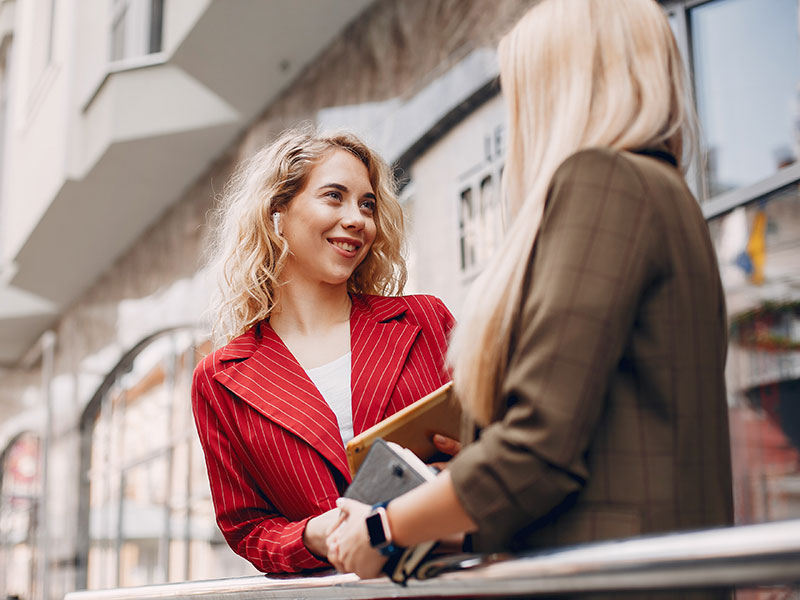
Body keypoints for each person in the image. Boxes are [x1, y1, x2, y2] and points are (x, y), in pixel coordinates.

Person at [327, 0, 734, 591]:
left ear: (558, 86)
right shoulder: (668, 197)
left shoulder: (603, 180)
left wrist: (385, 528)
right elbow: (598, 455)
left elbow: (539, 448)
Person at [191, 128, 455, 573]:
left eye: (367, 204)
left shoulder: (425, 322)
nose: (357, 219)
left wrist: (469, 460)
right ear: (278, 212)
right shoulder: (220, 378)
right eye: (334, 196)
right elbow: (246, 529)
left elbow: (501, 445)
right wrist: (312, 534)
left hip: (451, 577)